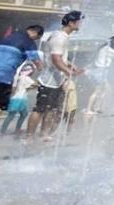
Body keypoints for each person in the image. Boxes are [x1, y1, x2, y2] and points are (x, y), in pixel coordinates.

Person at [0, 25, 44, 139]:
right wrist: (41, 67)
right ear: (36, 34)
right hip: (4, 75)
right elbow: (36, 61)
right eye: (37, 38)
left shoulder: (7, 37)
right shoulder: (29, 42)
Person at [27, 11, 84, 142]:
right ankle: (29, 136)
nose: (81, 24)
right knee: (40, 109)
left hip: (57, 80)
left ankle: (44, 134)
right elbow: (55, 59)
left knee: (52, 109)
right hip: (49, 80)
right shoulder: (60, 37)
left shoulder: (62, 36)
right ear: (71, 23)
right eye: (79, 21)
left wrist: (70, 64)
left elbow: (59, 55)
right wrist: (69, 72)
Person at [86, 36, 114, 117]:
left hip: (100, 71)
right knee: (98, 91)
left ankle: (97, 108)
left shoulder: (105, 48)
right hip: (100, 72)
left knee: (105, 90)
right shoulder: (109, 50)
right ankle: (89, 109)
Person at [1, 61, 38, 136]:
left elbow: (21, 86)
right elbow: (36, 84)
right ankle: (7, 130)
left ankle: (4, 130)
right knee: (15, 115)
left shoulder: (19, 77)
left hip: (16, 98)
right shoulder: (26, 78)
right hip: (20, 99)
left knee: (19, 114)